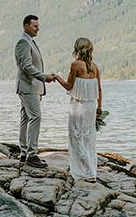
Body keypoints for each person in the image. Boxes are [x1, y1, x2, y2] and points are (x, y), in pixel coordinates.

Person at [55, 37, 103, 182]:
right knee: (88, 139)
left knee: (76, 138)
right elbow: (99, 89)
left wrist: (57, 77)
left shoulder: (75, 65)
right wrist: (99, 110)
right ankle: (90, 170)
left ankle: (88, 172)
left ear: (78, 48)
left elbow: (69, 86)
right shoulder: (94, 67)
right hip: (91, 107)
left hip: (78, 107)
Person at [15, 15, 56, 168]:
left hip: (31, 88)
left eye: (38, 26)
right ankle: (31, 154)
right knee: (36, 117)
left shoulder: (29, 41)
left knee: (26, 118)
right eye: (35, 26)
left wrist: (39, 89)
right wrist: (45, 78)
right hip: (27, 87)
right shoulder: (23, 42)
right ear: (26, 26)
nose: (38, 28)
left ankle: (24, 152)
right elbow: (26, 66)